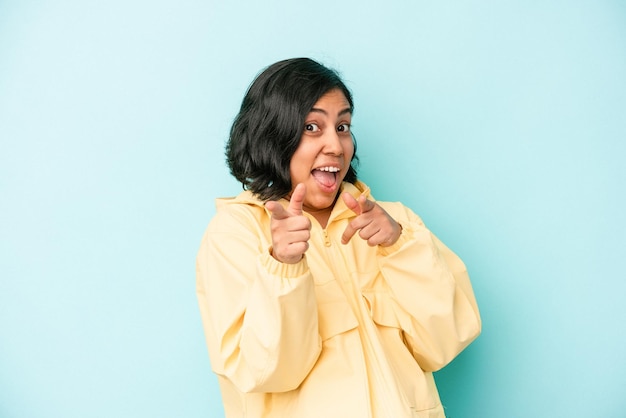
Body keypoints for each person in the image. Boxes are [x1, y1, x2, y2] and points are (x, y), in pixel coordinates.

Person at [196, 57, 481, 418]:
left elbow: (445, 343)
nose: (335, 144)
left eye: (343, 126)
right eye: (312, 126)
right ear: (273, 134)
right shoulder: (235, 234)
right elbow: (264, 371)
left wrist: (399, 248)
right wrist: (283, 268)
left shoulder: (395, 224)